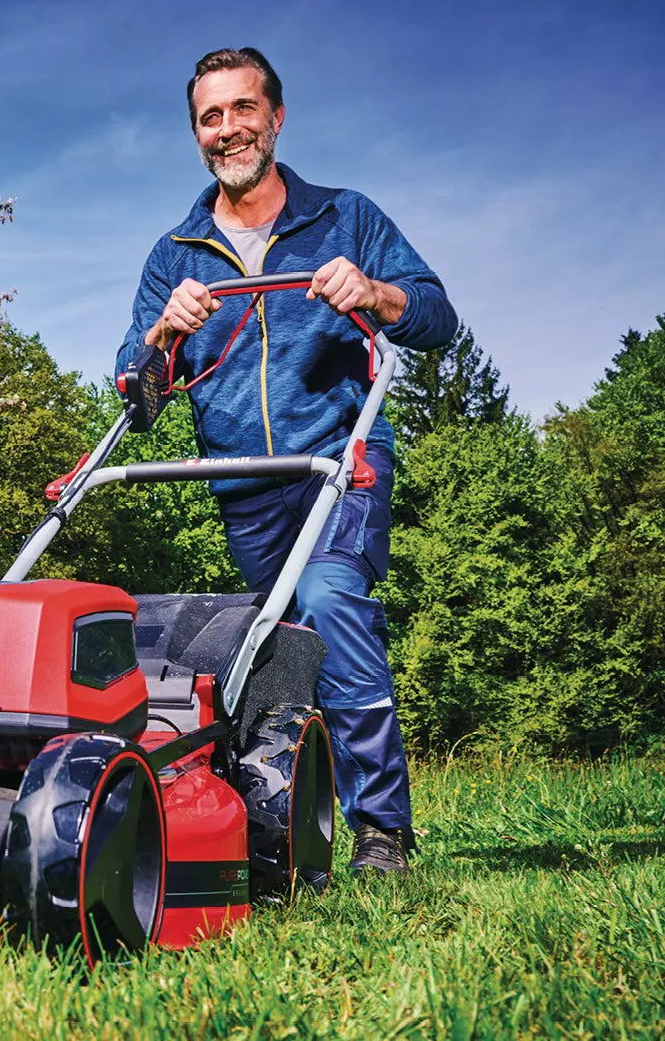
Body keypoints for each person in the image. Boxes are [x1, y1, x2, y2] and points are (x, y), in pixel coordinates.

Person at [117, 47, 457, 875]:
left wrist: (373, 292)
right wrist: (163, 331)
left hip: (339, 460)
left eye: (243, 109)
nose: (228, 128)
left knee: (332, 600)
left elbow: (438, 318)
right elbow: (138, 391)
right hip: (244, 487)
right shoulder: (175, 254)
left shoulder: (346, 217)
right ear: (197, 133)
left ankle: (382, 830)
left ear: (275, 117)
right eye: (211, 116)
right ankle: (287, 821)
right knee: (279, 648)